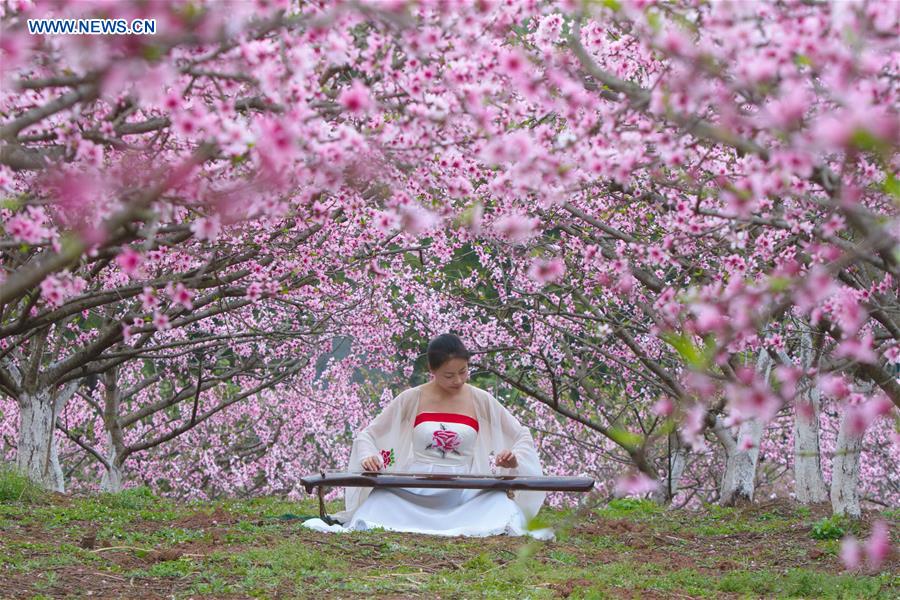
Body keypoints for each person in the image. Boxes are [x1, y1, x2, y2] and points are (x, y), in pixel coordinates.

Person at [301, 333, 553, 539]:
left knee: (501, 508)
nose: (458, 380)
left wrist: (513, 457)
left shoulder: (480, 399)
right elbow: (368, 435)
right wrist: (369, 456)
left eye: (464, 372)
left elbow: (521, 435)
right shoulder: (413, 398)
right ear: (432, 370)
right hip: (413, 489)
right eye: (449, 375)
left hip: (465, 489)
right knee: (379, 503)